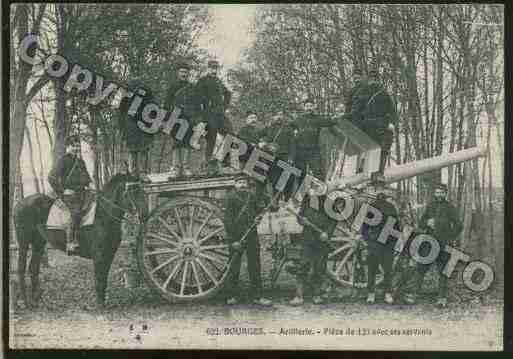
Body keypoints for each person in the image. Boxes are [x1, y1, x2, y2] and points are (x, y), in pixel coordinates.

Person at [412, 183, 463, 307]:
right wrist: (427, 222)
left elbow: (458, 225)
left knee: (444, 271)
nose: (439, 195)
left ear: (445, 193)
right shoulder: (430, 206)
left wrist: (450, 237)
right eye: (437, 192)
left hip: (444, 243)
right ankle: (414, 295)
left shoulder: (450, 207)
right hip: (429, 243)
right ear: (434, 194)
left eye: (441, 192)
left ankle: (442, 298)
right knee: (421, 268)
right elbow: (421, 223)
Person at [224, 178, 273, 306]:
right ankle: (231, 295)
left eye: (244, 182)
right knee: (234, 265)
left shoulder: (251, 196)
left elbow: (259, 209)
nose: (242, 185)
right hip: (236, 236)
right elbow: (228, 220)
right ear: (235, 185)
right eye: (239, 182)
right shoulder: (230, 198)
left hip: (251, 234)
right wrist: (233, 240)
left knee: (255, 265)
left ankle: (257, 296)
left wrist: (259, 216)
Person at [349, 67, 397, 178]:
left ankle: (378, 173)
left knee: (382, 149)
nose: (373, 81)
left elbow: (392, 111)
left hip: (381, 126)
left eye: (375, 79)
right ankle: (366, 171)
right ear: (369, 80)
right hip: (369, 126)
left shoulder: (384, 94)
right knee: (372, 149)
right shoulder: (363, 93)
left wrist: (392, 123)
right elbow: (355, 112)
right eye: (372, 79)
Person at [48, 136, 92, 255]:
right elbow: (51, 177)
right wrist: (62, 192)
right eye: (73, 145)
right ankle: (70, 243)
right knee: (76, 213)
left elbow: (87, 177)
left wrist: (89, 184)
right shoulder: (63, 160)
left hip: (84, 193)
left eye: (77, 145)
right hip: (70, 195)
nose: (76, 148)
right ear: (67, 146)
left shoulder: (80, 161)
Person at [195, 59, 232, 175]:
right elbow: (196, 97)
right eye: (212, 68)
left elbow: (228, 93)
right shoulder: (202, 81)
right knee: (211, 139)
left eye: (216, 68)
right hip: (208, 114)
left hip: (220, 114)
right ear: (208, 68)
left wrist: (224, 106)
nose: (214, 70)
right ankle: (207, 164)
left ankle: (223, 161)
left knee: (230, 134)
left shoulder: (219, 81)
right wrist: (201, 115)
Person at [362, 190, 399, 304]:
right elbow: (365, 226)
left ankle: (386, 294)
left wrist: (393, 241)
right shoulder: (372, 207)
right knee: (374, 269)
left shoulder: (391, 208)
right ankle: (372, 293)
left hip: (386, 243)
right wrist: (368, 239)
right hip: (376, 243)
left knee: (386, 270)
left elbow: (396, 226)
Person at [164, 62, 195, 178]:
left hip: (188, 118)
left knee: (186, 143)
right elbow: (166, 104)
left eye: (186, 72)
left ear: (189, 74)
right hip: (175, 117)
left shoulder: (192, 88)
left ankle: (186, 168)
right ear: (178, 73)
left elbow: (196, 104)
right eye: (182, 72)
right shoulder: (172, 87)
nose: (184, 74)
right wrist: (166, 119)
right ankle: (175, 168)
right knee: (176, 143)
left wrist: (195, 118)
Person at [118, 79, 155, 176]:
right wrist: (122, 128)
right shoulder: (126, 92)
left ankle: (142, 173)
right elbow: (121, 112)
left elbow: (153, 108)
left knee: (144, 149)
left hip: (143, 124)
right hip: (131, 125)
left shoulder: (146, 91)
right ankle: (134, 173)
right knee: (133, 150)